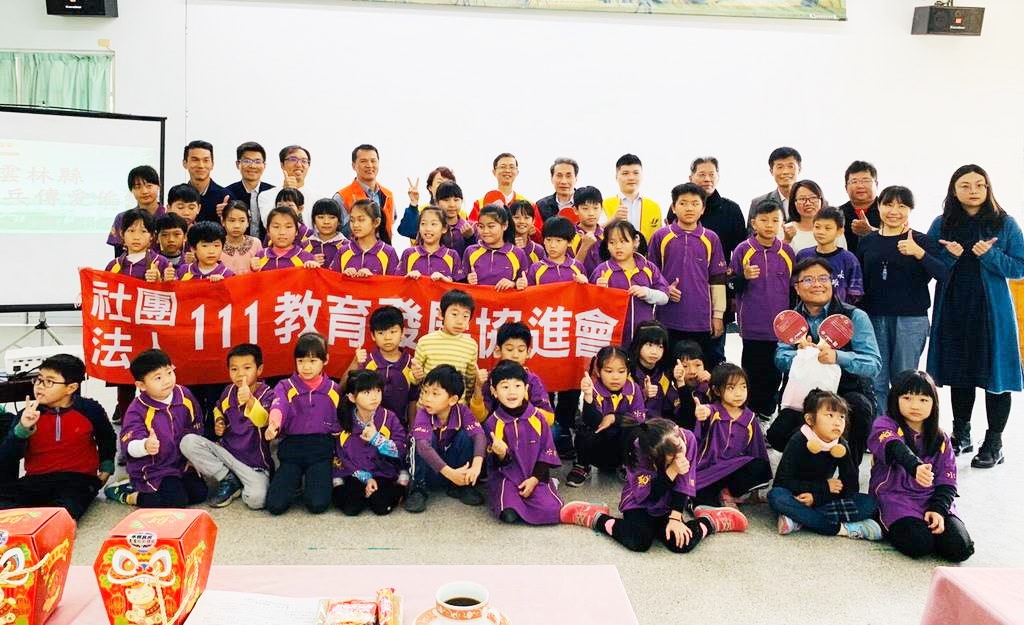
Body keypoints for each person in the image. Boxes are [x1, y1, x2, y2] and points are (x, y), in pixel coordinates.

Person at [927, 164, 1024, 468]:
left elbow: (1020, 267)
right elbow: (928, 265)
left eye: (979, 185)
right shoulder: (942, 223)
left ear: (988, 188)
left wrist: (990, 255)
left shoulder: (1004, 223)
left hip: (992, 312)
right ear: (954, 190)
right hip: (954, 308)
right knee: (960, 374)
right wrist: (949, 255)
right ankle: (961, 434)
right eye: (965, 185)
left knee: (997, 377)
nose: (973, 191)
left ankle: (994, 442)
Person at [561, 418, 748, 553]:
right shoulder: (638, 449)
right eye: (671, 457)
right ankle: (595, 517)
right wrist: (672, 470)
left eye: (679, 448)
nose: (680, 456)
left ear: (677, 430)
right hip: (639, 502)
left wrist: (675, 518)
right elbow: (648, 495)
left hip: (668, 504)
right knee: (639, 540)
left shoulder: (687, 438)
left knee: (680, 543)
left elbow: (684, 483)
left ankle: (711, 520)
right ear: (653, 455)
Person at [766, 258, 881, 460]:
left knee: (860, 408)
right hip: (803, 394)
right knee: (777, 435)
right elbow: (781, 358)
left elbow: (873, 364)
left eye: (823, 278)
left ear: (831, 283)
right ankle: (811, 467)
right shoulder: (789, 320)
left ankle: (848, 469)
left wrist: (837, 356)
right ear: (797, 287)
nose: (817, 284)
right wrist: (803, 354)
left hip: (846, 390)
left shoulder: (854, 316)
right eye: (808, 280)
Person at [856, 186, 946, 415]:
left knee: (904, 379)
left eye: (902, 206)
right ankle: (881, 428)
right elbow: (860, 281)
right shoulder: (867, 241)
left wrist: (919, 253)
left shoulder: (921, 240)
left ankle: (902, 428)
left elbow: (944, 274)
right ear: (878, 206)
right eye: (888, 204)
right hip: (873, 317)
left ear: (910, 210)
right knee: (875, 379)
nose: (894, 211)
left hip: (911, 320)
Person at [868, 370, 974, 561]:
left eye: (923, 400)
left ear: (934, 404)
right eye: (907, 398)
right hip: (895, 498)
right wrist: (915, 467)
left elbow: (948, 481)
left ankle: (933, 529)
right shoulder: (884, 425)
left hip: (931, 499)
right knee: (919, 544)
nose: (915, 405)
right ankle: (888, 522)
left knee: (960, 548)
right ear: (895, 399)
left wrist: (938, 510)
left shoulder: (942, 438)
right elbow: (894, 447)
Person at [0, 354, 115, 520]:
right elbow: (7, 458)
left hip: (79, 479)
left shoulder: (89, 409)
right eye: (39, 379)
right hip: (36, 479)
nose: (40, 386)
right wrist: (22, 429)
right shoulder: (27, 414)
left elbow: (107, 437)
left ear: (71, 388)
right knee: (6, 508)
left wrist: (107, 467)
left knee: (64, 511)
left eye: (49, 381)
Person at [767, 390, 882, 540]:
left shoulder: (841, 445)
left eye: (841, 417)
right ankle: (842, 528)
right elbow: (782, 482)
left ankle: (799, 519)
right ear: (810, 419)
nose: (837, 422)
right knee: (776, 496)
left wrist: (817, 498)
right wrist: (823, 487)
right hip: (796, 495)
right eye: (830, 415)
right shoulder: (799, 440)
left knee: (870, 503)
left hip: (823, 500)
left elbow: (850, 487)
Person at [104, 350, 207, 508]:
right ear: (141, 385)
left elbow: (196, 426)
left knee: (200, 494)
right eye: (158, 378)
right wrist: (145, 446)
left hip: (181, 463)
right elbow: (128, 444)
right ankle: (127, 493)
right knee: (176, 502)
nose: (167, 381)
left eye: (169, 372)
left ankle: (171, 487)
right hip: (154, 468)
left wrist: (192, 458)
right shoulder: (137, 409)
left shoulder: (184, 395)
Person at [179, 343, 273, 509]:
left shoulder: (268, 394)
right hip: (227, 455)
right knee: (188, 442)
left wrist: (250, 400)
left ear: (259, 370)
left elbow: (263, 420)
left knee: (257, 500)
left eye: (247, 368)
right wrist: (219, 421)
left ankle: (237, 483)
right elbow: (218, 408)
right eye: (234, 369)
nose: (240, 374)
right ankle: (227, 478)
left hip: (254, 465)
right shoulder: (228, 391)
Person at [647, 183, 728, 363]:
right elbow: (650, 274)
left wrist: (717, 316)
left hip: (701, 319)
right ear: (673, 207)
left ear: (703, 208)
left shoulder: (711, 238)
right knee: (667, 368)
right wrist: (665, 289)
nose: (689, 208)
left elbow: (717, 280)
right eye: (683, 203)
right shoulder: (660, 236)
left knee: (699, 369)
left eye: (695, 203)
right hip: (666, 318)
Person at [730, 199, 796, 421]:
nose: (769, 225)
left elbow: (793, 289)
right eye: (764, 220)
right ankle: (749, 417)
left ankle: (767, 416)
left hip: (781, 329)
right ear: (753, 223)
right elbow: (731, 285)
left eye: (775, 220)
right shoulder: (743, 250)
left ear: (782, 223)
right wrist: (743, 277)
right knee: (751, 373)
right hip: (752, 327)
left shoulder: (787, 252)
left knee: (774, 374)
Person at [527, 216, 587, 457]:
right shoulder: (536, 268)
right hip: (544, 334)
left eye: (559, 241)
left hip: (569, 335)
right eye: (549, 240)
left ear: (569, 242)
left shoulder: (577, 268)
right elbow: (526, 300)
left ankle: (565, 430)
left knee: (570, 384)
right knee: (545, 383)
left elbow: (587, 299)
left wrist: (584, 284)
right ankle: (549, 429)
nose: (552, 245)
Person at [264, 332, 341, 515]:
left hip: (321, 450)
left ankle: (311, 480)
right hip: (292, 449)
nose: (306, 367)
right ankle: (295, 479)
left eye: (312, 361)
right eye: (301, 361)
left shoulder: (334, 390)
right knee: (275, 505)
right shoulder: (285, 386)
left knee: (317, 505)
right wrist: (273, 424)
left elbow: (340, 424)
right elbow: (279, 405)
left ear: (325, 360)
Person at [685, 156, 747, 366]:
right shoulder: (681, 206)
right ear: (691, 177)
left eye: (711, 174)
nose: (707, 179)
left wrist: (733, 294)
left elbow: (741, 252)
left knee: (714, 354)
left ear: (718, 177)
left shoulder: (732, 210)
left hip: (720, 289)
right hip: (686, 291)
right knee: (684, 355)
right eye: (701, 174)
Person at [484, 361, 562, 525]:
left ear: (526, 389)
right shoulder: (492, 422)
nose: (512, 392)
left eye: (517, 386)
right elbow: (495, 465)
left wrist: (535, 479)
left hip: (535, 476)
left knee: (553, 512)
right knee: (508, 514)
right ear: (494, 391)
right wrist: (501, 454)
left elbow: (547, 452)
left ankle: (548, 485)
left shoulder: (538, 418)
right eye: (505, 387)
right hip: (507, 478)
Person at [405, 365, 487, 513]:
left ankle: (463, 485)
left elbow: (479, 435)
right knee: (420, 440)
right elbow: (423, 447)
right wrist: (450, 473)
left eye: (435, 394)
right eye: (425, 392)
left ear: (453, 399)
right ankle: (418, 488)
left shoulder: (462, 411)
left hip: (454, 472)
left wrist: (476, 465)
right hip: (431, 472)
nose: (427, 398)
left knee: (466, 436)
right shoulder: (423, 413)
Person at [692, 363, 772, 508]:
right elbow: (706, 413)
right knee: (703, 501)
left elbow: (757, 450)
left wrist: (754, 493)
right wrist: (703, 413)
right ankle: (716, 500)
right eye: (731, 388)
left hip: (733, 469)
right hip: (709, 471)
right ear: (717, 390)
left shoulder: (749, 418)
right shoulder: (713, 412)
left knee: (761, 466)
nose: (739, 393)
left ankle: (727, 493)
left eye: (743, 387)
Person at [566, 346, 646, 487]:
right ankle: (583, 465)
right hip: (598, 447)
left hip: (621, 448)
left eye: (621, 371)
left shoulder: (634, 389)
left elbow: (639, 417)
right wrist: (588, 397)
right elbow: (593, 422)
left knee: (638, 429)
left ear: (628, 371)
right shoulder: (592, 389)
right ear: (598, 371)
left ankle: (627, 464)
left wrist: (615, 418)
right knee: (584, 429)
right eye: (609, 371)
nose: (615, 377)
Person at [332, 370, 408, 517]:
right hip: (354, 471)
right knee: (351, 508)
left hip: (383, 471)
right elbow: (341, 456)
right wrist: (365, 478)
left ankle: (402, 484)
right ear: (352, 397)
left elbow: (402, 450)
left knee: (381, 506)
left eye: (378, 390)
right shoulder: (343, 419)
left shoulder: (389, 417)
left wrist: (377, 439)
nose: (374, 397)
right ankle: (339, 484)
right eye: (366, 392)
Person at [591, 219, 668, 346]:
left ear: (635, 241)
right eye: (612, 242)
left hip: (644, 338)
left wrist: (647, 293)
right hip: (613, 339)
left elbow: (664, 297)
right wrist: (599, 290)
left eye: (623, 241)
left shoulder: (649, 268)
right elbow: (590, 306)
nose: (618, 247)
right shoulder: (602, 270)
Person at [348, 305, 419, 425]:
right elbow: (345, 389)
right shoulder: (367, 361)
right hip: (368, 427)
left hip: (400, 429)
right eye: (381, 333)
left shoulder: (411, 364)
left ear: (402, 332)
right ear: (373, 335)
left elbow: (413, 400)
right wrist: (355, 362)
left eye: (393, 332)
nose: (387, 338)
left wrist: (412, 430)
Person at [474, 322, 554, 424]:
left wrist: (524, 403)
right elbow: (478, 418)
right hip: (496, 429)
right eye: (509, 349)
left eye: (521, 350)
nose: (515, 355)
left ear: (528, 352)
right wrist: (478, 388)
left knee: (554, 430)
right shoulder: (491, 379)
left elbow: (549, 419)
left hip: (527, 429)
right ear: (498, 351)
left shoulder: (532, 380)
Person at [412, 289, 479, 402]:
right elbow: (415, 379)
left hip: (456, 406)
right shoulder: (425, 342)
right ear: (441, 314)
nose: (459, 321)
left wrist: (464, 404)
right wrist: (415, 376)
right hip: (428, 406)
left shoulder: (471, 345)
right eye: (454, 314)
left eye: (465, 316)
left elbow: (470, 381)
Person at [795, 206, 864, 304]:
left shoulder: (849, 259)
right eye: (817, 227)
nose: (821, 232)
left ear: (840, 231)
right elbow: (795, 287)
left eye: (827, 228)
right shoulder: (803, 256)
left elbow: (855, 293)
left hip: (840, 312)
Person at [467, 153, 539, 238]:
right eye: (503, 167)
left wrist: (532, 232)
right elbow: (471, 230)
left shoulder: (528, 204)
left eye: (511, 167)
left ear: (517, 172)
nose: (507, 170)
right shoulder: (480, 204)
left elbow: (540, 232)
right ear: (494, 172)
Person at [334, 144, 396, 239]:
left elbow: (390, 225)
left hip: (384, 247)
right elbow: (334, 233)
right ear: (353, 166)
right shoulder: (342, 197)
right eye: (363, 161)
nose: (369, 165)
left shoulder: (388, 195)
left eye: (373, 161)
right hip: (353, 248)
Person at [462, 204, 529, 291]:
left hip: (507, 300)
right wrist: (467, 279)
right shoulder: (470, 251)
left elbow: (525, 284)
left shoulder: (518, 253)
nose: (485, 231)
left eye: (491, 226)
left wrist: (514, 284)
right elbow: (459, 285)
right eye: (481, 226)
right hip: (476, 299)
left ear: (504, 226)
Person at [329, 199, 398, 276]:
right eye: (352, 220)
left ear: (376, 222)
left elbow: (394, 282)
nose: (355, 225)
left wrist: (373, 278)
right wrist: (343, 276)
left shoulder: (389, 252)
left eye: (361, 220)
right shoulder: (343, 251)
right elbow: (331, 280)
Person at [603, 154, 661, 241]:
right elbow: (596, 233)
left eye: (636, 173)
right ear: (616, 177)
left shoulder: (654, 207)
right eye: (625, 173)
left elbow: (658, 239)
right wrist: (613, 220)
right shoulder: (604, 205)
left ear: (642, 175)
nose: (631, 178)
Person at [108, 165, 164, 257]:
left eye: (149, 186)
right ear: (131, 190)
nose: (144, 191)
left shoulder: (169, 216)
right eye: (138, 187)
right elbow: (119, 255)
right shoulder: (122, 218)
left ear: (158, 186)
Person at [627, 321, 677, 421]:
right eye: (649, 345)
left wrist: (680, 382)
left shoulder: (665, 374)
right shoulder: (627, 372)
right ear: (638, 344)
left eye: (660, 346)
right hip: (632, 424)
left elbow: (672, 409)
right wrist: (643, 395)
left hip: (658, 425)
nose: (654, 352)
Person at [225, 141, 275, 240]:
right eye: (247, 161)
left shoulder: (273, 192)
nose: (252, 166)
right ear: (238, 164)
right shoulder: (227, 193)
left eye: (257, 161)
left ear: (264, 165)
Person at [105, 209, 171, 283]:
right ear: (122, 234)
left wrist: (160, 281)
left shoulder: (162, 263)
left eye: (143, 231)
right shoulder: (113, 266)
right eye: (131, 231)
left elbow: (174, 288)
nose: (136, 237)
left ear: (152, 236)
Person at [400, 206, 462, 282]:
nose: (428, 229)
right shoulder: (408, 253)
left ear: (444, 228)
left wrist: (447, 280)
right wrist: (408, 277)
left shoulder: (452, 255)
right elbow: (397, 282)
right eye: (423, 224)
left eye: (433, 224)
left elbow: (460, 285)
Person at [784, 180, 846, 253]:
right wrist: (786, 240)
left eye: (813, 198)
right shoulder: (786, 230)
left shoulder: (834, 228)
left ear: (821, 199)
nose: (808, 203)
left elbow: (843, 256)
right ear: (794, 202)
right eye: (802, 199)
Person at [396, 166, 456, 240]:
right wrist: (413, 203)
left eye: (448, 183)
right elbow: (406, 231)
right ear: (430, 187)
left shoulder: (460, 213)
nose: (444, 186)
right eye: (439, 182)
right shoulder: (421, 211)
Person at [251, 206, 318, 272]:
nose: (282, 232)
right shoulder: (259, 257)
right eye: (276, 227)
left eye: (288, 227)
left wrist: (313, 269)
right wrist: (254, 271)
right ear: (268, 231)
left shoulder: (306, 258)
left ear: (296, 231)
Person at [748, 146, 801, 228]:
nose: (785, 171)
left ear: (799, 169)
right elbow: (752, 233)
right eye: (780, 167)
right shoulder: (758, 203)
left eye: (790, 166)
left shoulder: (813, 202)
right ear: (771, 171)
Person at [182, 140, 232, 223]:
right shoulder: (178, 196)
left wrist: (229, 215)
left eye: (206, 160)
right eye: (195, 160)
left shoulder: (225, 197)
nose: (201, 165)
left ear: (212, 164)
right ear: (185, 163)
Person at [838, 161, 881, 256]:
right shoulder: (837, 214)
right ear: (846, 187)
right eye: (854, 181)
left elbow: (900, 239)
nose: (860, 186)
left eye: (866, 181)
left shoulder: (890, 211)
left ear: (876, 184)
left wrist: (871, 231)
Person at [671, 340, 712, 431]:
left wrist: (714, 382)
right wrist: (681, 383)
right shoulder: (671, 392)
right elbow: (687, 419)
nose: (692, 371)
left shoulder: (710, 387)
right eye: (685, 366)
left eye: (698, 365)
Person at [278, 145, 319, 228]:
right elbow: (269, 223)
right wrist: (288, 191)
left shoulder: (318, 198)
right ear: (282, 164)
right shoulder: (266, 196)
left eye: (304, 161)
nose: (299, 165)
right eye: (293, 159)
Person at [570, 186, 606, 275]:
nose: (591, 213)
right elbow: (569, 271)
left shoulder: (608, 235)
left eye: (595, 208)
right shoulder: (569, 236)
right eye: (585, 208)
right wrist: (584, 246)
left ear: (601, 208)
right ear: (575, 210)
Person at [220, 201, 263, 275]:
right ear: (223, 221)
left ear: (248, 222)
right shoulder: (217, 245)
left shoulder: (256, 243)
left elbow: (263, 270)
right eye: (232, 220)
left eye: (242, 221)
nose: (237, 225)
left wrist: (257, 268)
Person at [435, 181, 476, 257]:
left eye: (456, 200)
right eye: (446, 200)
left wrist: (470, 238)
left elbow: (478, 256)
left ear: (462, 201)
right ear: (437, 202)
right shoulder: (433, 228)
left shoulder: (472, 227)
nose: (452, 205)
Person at [304, 198, 348, 269]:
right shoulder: (304, 246)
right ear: (314, 220)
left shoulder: (348, 247)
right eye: (321, 217)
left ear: (339, 221)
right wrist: (306, 263)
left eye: (332, 217)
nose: (326, 222)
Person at [535, 157, 578, 222]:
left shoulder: (586, 204)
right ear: (552, 178)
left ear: (576, 178)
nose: (563, 181)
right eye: (559, 176)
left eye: (568, 176)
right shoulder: (541, 206)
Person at [509, 200, 546, 264]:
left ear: (533, 221)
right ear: (509, 220)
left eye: (526, 218)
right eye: (516, 217)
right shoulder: (502, 247)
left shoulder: (538, 250)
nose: (522, 221)